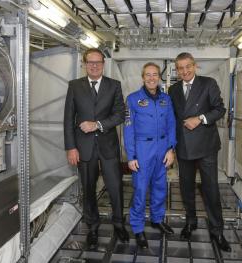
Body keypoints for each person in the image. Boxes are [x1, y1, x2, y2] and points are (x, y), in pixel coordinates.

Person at [64, 48, 129, 249]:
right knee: (88, 187)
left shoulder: (114, 85)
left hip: (108, 146)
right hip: (83, 147)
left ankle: (119, 223)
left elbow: (120, 114)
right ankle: (92, 226)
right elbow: (68, 119)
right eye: (90, 62)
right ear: (84, 64)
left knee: (115, 186)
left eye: (98, 62)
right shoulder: (74, 86)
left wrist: (98, 124)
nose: (94, 65)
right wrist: (71, 147)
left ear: (103, 64)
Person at [168, 52, 231, 252]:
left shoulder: (208, 83)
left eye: (188, 66)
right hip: (183, 146)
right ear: (176, 70)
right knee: (186, 187)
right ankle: (191, 221)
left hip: (206, 146)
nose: (185, 71)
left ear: (195, 66)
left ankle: (217, 230)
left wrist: (200, 118)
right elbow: (173, 117)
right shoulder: (173, 89)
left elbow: (220, 109)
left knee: (210, 189)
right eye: (180, 68)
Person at [123, 62, 177, 248]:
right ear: (143, 77)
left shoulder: (166, 99)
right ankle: (138, 228)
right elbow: (128, 130)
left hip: (162, 149)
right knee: (140, 190)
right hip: (142, 150)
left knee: (160, 188)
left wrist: (171, 149)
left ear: (159, 77)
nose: (152, 78)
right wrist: (131, 156)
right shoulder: (132, 99)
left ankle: (157, 219)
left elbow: (171, 125)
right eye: (148, 75)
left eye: (155, 74)